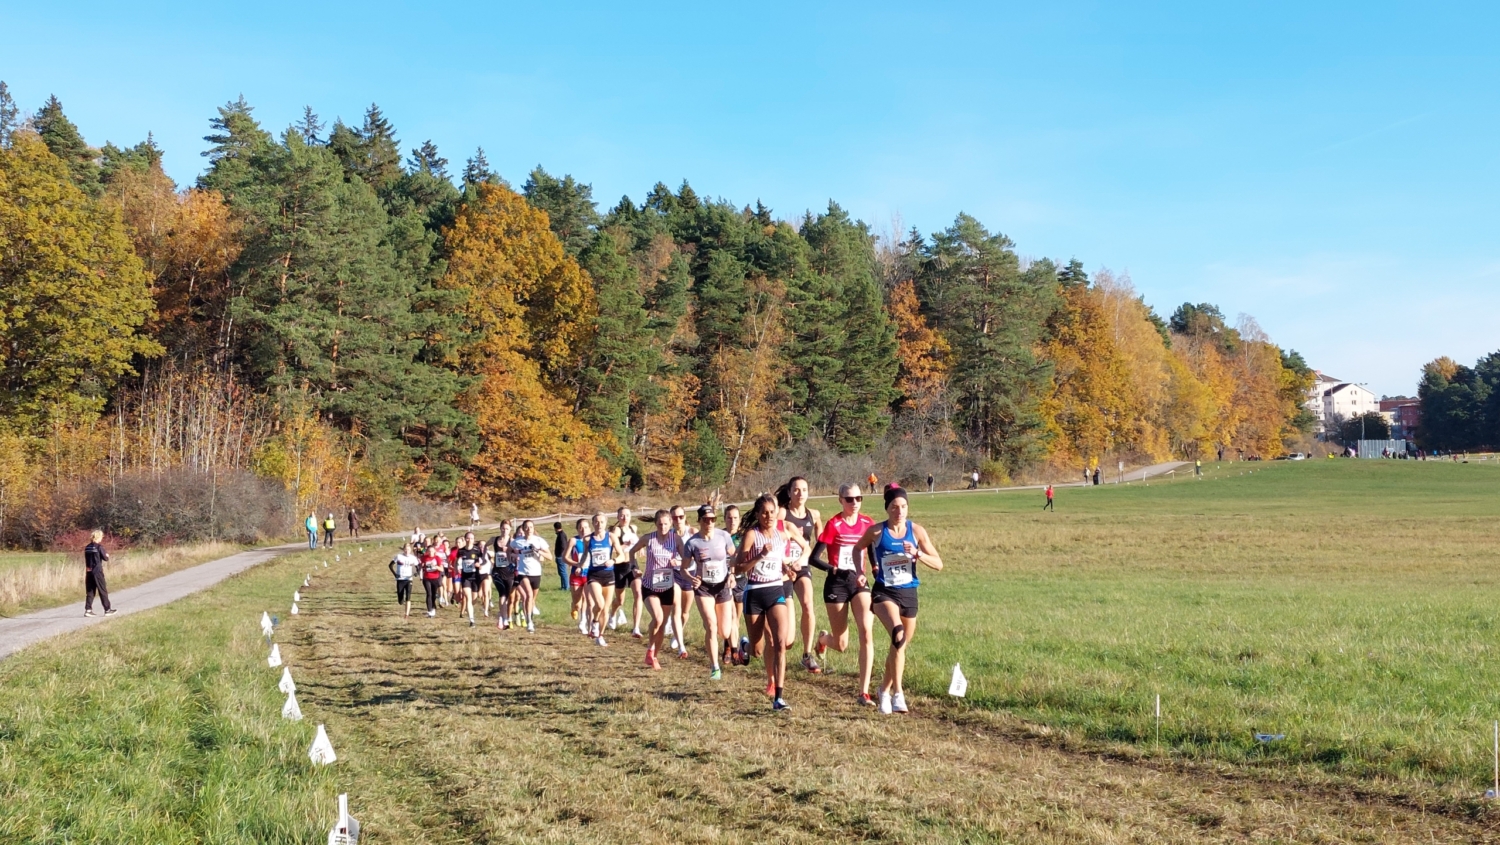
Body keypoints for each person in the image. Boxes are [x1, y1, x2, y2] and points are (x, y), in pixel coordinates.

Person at [853, 485, 944, 714]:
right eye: (894, 507)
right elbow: (857, 549)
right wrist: (860, 572)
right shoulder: (876, 531)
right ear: (887, 508)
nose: (899, 511)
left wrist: (917, 554)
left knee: (899, 646)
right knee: (898, 634)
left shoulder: (917, 531)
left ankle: (884, 690)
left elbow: (939, 564)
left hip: (909, 594)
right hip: (884, 592)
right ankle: (898, 694)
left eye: (903, 506)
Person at [811, 483, 875, 704]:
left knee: (866, 631)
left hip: (859, 582)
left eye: (858, 498)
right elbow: (814, 559)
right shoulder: (833, 524)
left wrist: (873, 571)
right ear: (840, 500)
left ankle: (863, 692)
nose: (855, 503)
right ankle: (822, 639)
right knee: (841, 644)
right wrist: (834, 569)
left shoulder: (867, 523)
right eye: (849, 499)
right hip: (837, 584)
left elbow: (873, 550)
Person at [737, 493, 798, 711]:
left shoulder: (780, 536)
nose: (768, 516)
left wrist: (787, 570)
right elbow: (738, 568)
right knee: (758, 651)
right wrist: (759, 555)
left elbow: (778, 560)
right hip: (754, 593)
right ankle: (744, 645)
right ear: (757, 514)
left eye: (772, 512)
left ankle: (779, 697)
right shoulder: (751, 536)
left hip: (775, 591)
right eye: (764, 512)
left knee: (780, 643)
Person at [684, 504, 736, 680]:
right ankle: (715, 667)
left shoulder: (724, 536)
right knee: (711, 626)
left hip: (722, 586)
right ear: (699, 521)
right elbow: (684, 568)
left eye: (713, 519)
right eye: (706, 520)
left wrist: (732, 574)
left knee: (725, 632)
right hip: (704, 588)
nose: (710, 523)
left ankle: (736, 643)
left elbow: (734, 557)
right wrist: (692, 578)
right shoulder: (692, 543)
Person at [777, 477, 822, 674]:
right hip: (782, 568)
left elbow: (821, 538)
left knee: (808, 604)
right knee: (786, 638)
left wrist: (814, 555)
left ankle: (807, 654)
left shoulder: (814, 514)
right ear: (789, 492)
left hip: (802, 566)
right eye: (796, 490)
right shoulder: (782, 513)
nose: (800, 493)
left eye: (804, 489)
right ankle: (777, 647)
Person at [631, 510, 684, 670]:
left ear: (671, 524)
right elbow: (632, 551)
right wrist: (634, 567)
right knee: (659, 618)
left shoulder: (676, 539)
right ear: (656, 524)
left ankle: (652, 654)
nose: (663, 527)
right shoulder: (649, 538)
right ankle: (650, 646)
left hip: (667, 587)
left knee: (661, 624)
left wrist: (678, 561)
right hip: (649, 586)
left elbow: (686, 558)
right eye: (660, 524)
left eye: (666, 524)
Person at [609, 507, 643, 637]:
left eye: (627, 515)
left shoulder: (633, 528)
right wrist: (624, 546)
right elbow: (612, 549)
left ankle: (636, 628)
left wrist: (640, 548)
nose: (625, 518)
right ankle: (612, 614)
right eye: (622, 515)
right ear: (618, 517)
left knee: (639, 594)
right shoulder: (617, 530)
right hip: (620, 567)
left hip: (633, 566)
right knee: (620, 600)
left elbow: (638, 542)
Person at [510, 520, 548, 632]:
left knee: (532, 599)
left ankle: (527, 611)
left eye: (531, 527)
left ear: (533, 528)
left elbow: (549, 556)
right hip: (523, 572)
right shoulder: (517, 542)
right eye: (526, 527)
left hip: (536, 573)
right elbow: (509, 549)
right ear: (523, 529)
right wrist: (512, 556)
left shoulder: (539, 541)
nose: (529, 529)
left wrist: (538, 552)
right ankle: (529, 622)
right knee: (529, 595)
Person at [82, 530, 115, 617]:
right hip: (97, 571)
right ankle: (107, 609)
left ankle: (88, 610)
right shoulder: (99, 547)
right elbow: (105, 558)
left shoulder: (87, 547)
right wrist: (107, 555)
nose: (102, 538)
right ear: (98, 537)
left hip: (89, 571)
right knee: (102, 590)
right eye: (101, 537)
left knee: (90, 591)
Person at [491, 527, 517, 629]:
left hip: (509, 572)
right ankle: (504, 618)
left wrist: (510, 552)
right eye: (503, 528)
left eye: (506, 528)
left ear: (510, 529)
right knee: (502, 594)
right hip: (497, 572)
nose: (504, 530)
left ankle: (501, 615)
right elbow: (484, 546)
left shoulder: (513, 542)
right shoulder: (494, 539)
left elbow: (518, 554)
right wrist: (485, 556)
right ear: (500, 528)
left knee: (507, 596)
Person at [455, 535, 484, 627]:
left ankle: (470, 608)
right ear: (465, 539)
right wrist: (457, 568)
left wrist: (479, 564)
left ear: (473, 539)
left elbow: (483, 561)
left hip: (475, 576)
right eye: (468, 538)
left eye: (471, 538)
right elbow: (456, 562)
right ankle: (472, 621)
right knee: (468, 597)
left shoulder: (477, 550)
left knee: (474, 599)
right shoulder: (461, 551)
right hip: (465, 577)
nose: (469, 540)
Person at [389, 542, 418, 619]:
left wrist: (416, 573)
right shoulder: (398, 556)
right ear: (403, 549)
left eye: (408, 549)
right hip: (400, 579)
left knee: (408, 597)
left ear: (410, 550)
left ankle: (406, 615)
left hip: (409, 579)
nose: (407, 551)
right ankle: (400, 600)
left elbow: (418, 567)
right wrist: (395, 574)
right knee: (400, 600)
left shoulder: (413, 558)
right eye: (405, 549)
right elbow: (390, 565)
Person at [419, 539, 445, 617]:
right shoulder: (424, 557)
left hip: (435, 578)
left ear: (434, 551)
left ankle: (433, 608)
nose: (430, 552)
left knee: (433, 594)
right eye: (429, 551)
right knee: (429, 594)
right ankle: (429, 610)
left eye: (432, 551)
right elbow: (421, 566)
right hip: (426, 578)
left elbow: (442, 569)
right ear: (427, 551)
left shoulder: (437, 558)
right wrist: (422, 566)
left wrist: (436, 566)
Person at [552, 521, 569, 590]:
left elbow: (563, 546)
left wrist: (562, 555)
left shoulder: (561, 535)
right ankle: (563, 586)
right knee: (561, 572)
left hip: (561, 556)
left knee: (563, 572)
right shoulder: (561, 534)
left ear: (555, 528)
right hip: (560, 556)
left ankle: (566, 587)